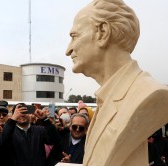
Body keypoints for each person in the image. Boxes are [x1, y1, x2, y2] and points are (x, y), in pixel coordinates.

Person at [66, 0, 168, 165]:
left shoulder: (150, 94)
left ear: (103, 32)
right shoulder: (106, 100)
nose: (68, 49)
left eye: (74, 36)